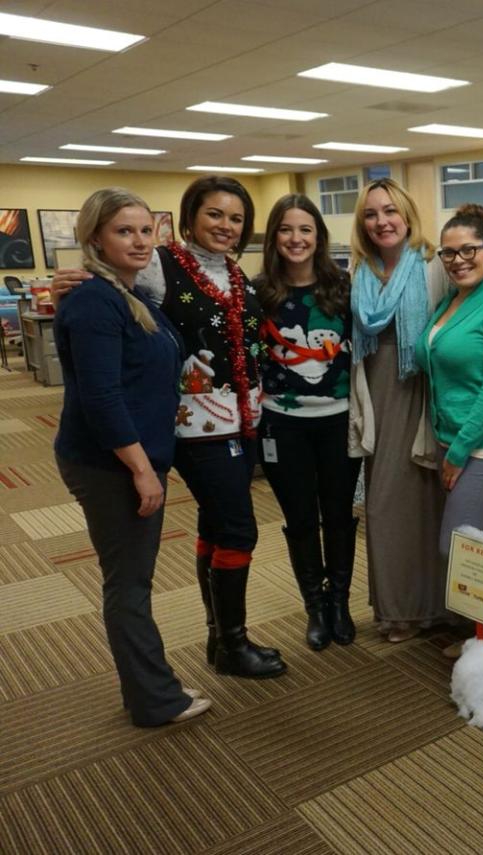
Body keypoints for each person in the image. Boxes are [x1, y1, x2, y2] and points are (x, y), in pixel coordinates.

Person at [54, 175, 286, 680]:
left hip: (241, 421)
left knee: (218, 524)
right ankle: (232, 643)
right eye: (214, 215)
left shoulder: (234, 271)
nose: (226, 226)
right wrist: (72, 280)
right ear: (188, 218)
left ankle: (220, 638)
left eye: (236, 218)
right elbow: (114, 284)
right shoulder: (162, 264)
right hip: (197, 426)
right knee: (239, 529)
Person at [53, 188, 210, 725]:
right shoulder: (97, 298)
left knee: (130, 580)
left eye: (147, 230)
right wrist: (142, 470)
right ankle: (154, 700)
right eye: (124, 231)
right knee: (129, 584)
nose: (140, 241)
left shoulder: (124, 291)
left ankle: (146, 687)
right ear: (95, 236)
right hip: (111, 464)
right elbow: (101, 397)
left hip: (129, 456)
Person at [414, 204, 483, 657]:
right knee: (480, 538)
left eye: (469, 251)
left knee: (456, 543)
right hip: (454, 438)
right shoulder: (452, 301)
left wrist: (458, 453)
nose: (458, 260)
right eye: (449, 253)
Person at [256, 194, 361, 650]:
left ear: (318, 236)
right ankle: (315, 609)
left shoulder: (345, 287)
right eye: (286, 229)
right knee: (300, 518)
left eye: (305, 230)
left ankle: (340, 604)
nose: (296, 239)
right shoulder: (258, 293)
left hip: (339, 421)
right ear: (274, 237)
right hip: (282, 423)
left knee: (338, 515)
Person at [347, 177, 449, 644]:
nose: (381, 221)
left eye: (389, 211)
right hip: (377, 398)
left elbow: (469, 304)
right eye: (371, 214)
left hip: (424, 396)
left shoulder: (433, 266)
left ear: (406, 214)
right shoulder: (359, 273)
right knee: (384, 506)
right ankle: (398, 608)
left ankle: (433, 608)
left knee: (429, 505)